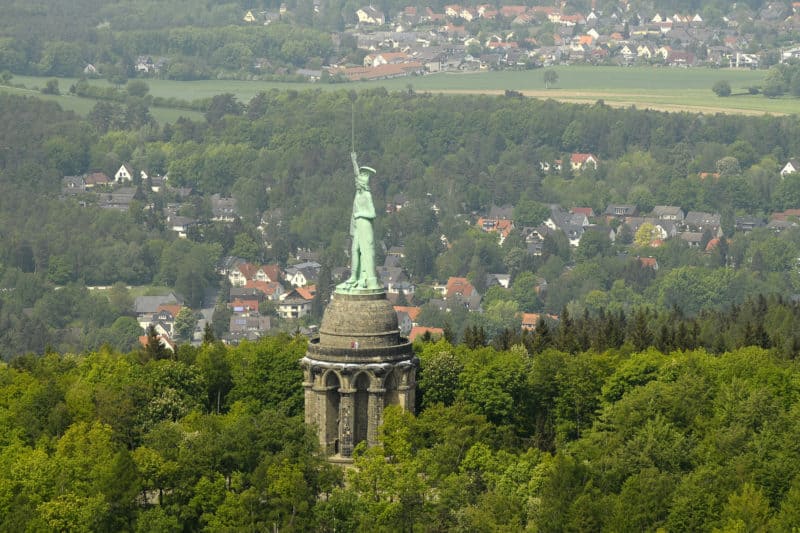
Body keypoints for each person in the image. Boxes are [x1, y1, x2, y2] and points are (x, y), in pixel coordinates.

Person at [338, 152, 382, 291]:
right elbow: (357, 175)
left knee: (365, 250)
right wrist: (354, 161)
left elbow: (372, 213)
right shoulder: (358, 192)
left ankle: (364, 278)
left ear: (363, 185)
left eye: (358, 182)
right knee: (354, 249)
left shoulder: (366, 195)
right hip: (357, 226)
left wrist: (359, 214)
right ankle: (353, 277)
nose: (356, 183)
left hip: (364, 225)